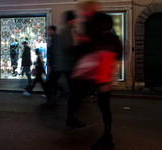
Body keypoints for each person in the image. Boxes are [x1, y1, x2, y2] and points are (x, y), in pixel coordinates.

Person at [79, 1, 122, 149]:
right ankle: (107, 137)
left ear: (91, 9)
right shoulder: (100, 26)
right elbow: (117, 47)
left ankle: (107, 138)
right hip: (102, 67)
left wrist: (86, 41)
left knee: (103, 103)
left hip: (103, 67)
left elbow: (108, 45)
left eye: (85, 10)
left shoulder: (97, 25)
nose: (83, 13)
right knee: (103, 102)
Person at [60, 10, 85, 127]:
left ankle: (71, 116)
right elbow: (67, 48)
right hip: (69, 66)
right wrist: (79, 43)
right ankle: (70, 118)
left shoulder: (71, 30)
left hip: (72, 66)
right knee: (72, 91)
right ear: (70, 20)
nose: (76, 21)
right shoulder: (65, 31)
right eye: (74, 19)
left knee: (74, 91)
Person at [41, 26, 63, 107]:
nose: (48, 32)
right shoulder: (55, 38)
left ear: (52, 30)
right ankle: (53, 101)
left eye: (49, 30)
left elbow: (55, 52)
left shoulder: (55, 39)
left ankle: (50, 101)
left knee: (49, 84)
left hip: (56, 66)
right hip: (57, 66)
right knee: (54, 84)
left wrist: (53, 62)